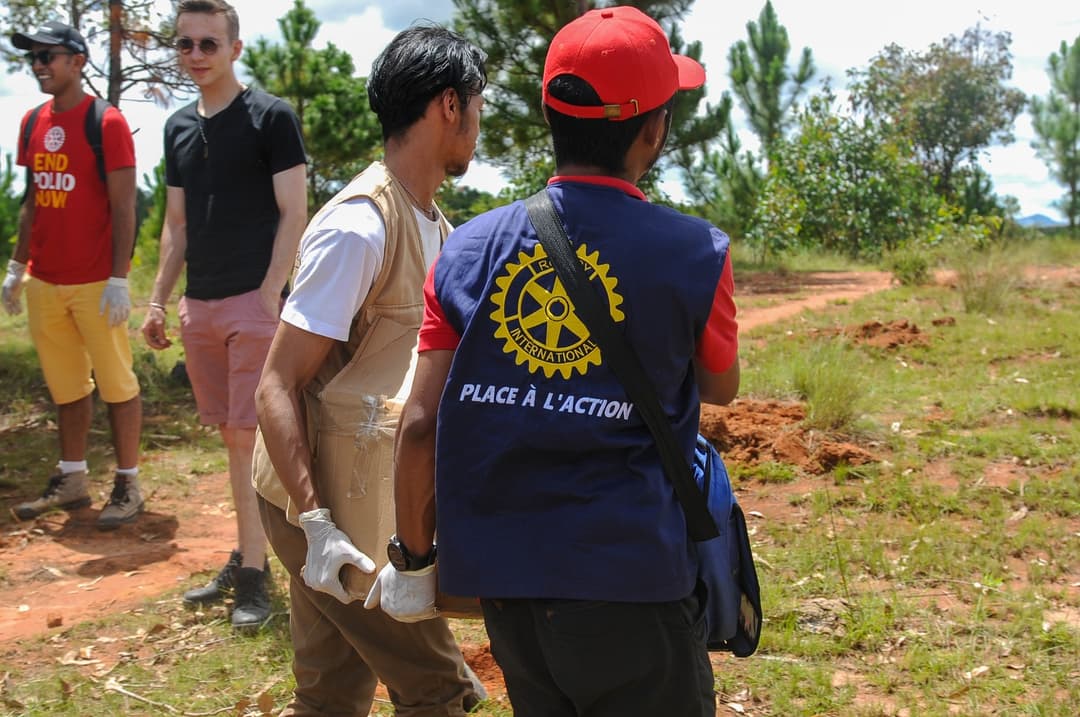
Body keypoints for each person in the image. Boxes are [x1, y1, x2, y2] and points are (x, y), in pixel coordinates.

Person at [368, 7, 741, 716]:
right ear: (653, 130)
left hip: (508, 589)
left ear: (550, 115)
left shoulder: (465, 251)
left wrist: (414, 562)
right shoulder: (697, 252)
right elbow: (720, 386)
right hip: (632, 582)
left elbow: (419, 424)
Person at [252, 24, 487, 716]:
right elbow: (277, 381)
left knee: (330, 692)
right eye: (476, 104)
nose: (479, 122)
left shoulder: (435, 228)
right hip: (322, 505)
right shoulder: (361, 228)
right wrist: (317, 524)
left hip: (359, 491)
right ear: (448, 105)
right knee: (437, 689)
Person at [139, 0, 307, 630]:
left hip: (253, 303)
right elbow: (175, 226)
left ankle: (258, 581)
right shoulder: (178, 126)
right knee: (231, 440)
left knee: (245, 439)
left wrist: (272, 290)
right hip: (199, 305)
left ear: (235, 47)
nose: (196, 55)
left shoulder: (272, 118)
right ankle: (246, 553)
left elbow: (295, 211)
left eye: (209, 43)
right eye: (184, 45)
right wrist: (160, 298)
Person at [5, 21, 144, 531]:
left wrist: (118, 277)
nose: (40, 65)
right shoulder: (29, 122)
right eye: (34, 57)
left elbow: (124, 207)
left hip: (94, 282)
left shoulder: (105, 122)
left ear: (78, 61)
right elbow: (31, 201)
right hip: (47, 281)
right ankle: (72, 478)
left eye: (49, 55)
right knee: (66, 388)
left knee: (116, 384)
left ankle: (128, 482)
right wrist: (17, 268)